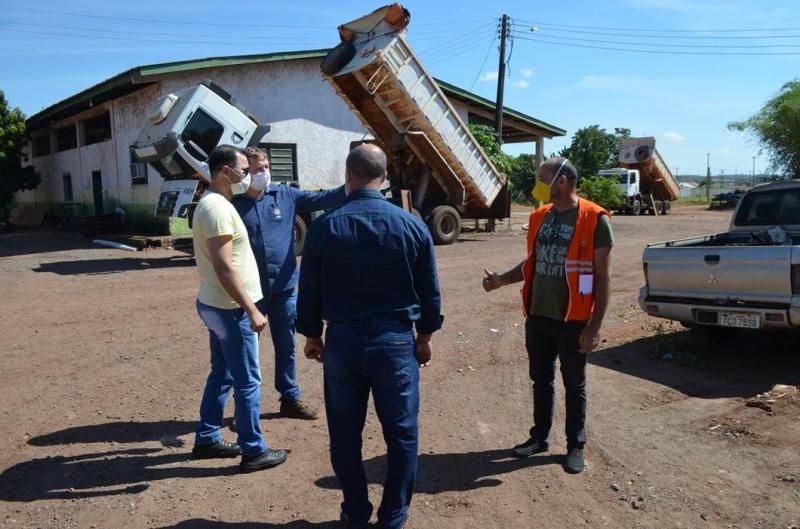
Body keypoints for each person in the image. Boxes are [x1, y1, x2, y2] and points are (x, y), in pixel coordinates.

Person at [297, 144, 443, 529]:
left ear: (348, 175)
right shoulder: (412, 225)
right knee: (402, 434)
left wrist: (312, 334)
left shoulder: (325, 226)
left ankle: (355, 513)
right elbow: (429, 289)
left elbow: (308, 289)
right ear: (386, 178)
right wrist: (425, 334)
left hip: (343, 344)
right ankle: (393, 518)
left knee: (345, 436)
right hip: (395, 342)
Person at [482, 156, 613, 474]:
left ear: (562, 181)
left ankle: (575, 444)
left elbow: (602, 276)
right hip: (539, 316)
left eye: (543, 178)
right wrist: (501, 280)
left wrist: (594, 326)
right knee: (541, 380)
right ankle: (539, 438)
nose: (538, 184)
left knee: (574, 384)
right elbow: (532, 264)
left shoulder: (595, 219)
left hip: (574, 319)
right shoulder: (540, 216)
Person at [190, 144, 288, 473]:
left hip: (217, 304)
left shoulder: (217, 203)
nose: (248, 176)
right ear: (225, 173)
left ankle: (206, 438)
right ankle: (253, 450)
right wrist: (252, 309)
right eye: (243, 171)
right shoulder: (217, 208)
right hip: (230, 308)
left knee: (224, 372)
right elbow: (224, 267)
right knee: (247, 380)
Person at [231, 147, 346, 420]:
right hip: (250, 294)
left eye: (266, 166)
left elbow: (323, 198)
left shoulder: (286, 195)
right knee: (246, 352)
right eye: (257, 169)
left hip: (283, 290)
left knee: (287, 347)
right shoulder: (233, 204)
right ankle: (244, 409)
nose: (264, 173)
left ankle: (289, 398)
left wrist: (354, 182)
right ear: (245, 172)